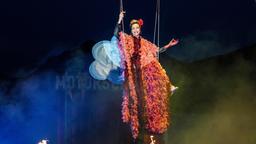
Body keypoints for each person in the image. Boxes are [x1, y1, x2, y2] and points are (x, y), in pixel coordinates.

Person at [114, 11, 179, 144]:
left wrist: (168, 45)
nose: (136, 30)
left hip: (144, 72)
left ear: (140, 29)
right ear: (131, 30)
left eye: (137, 28)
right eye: (133, 29)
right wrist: (120, 20)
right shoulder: (127, 39)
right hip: (134, 74)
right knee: (135, 102)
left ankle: (169, 87)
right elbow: (117, 35)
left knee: (156, 67)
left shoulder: (145, 43)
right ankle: (138, 133)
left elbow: (157, 50)